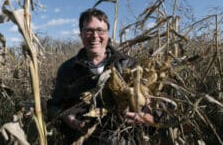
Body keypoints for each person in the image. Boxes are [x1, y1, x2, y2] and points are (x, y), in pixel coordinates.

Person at [47, 8, 156, 144]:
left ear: (107, 34)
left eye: (100, 30)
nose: (95, 36)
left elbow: (151, 100)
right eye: (89, 30)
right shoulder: (68, 69)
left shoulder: (128, 64)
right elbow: (53, 106)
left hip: (123, 140)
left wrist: (149, 116)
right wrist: (64, 116)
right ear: (80, 34)